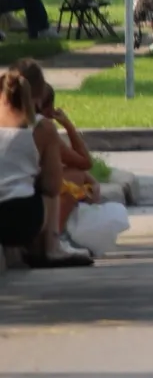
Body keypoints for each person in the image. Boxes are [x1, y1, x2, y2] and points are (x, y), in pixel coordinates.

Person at [0, 67, 90, 266]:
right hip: (22, 219)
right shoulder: (42, 128)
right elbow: (52, 185)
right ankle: (52, 247)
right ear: (40, 97)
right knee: (53, 183)